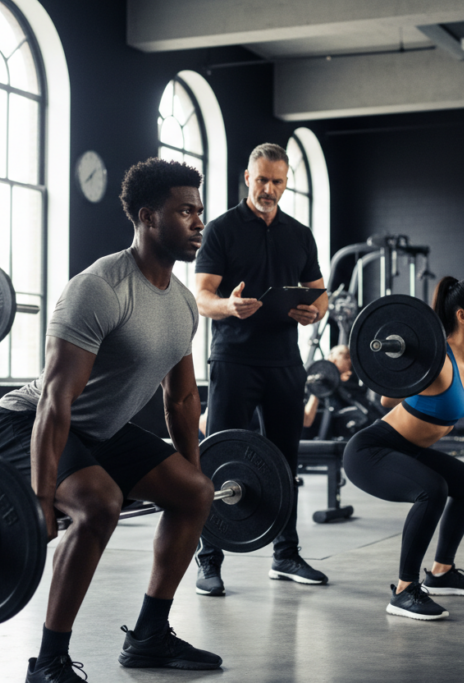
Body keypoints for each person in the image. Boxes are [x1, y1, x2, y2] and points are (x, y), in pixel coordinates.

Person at [0, 159, 221, 682]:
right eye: (185, 212)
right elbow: (54, 401)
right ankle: (47, 663)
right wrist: (41, 502)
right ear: (147, 217)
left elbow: (181, 401)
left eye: (200, 212)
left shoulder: (183, 304)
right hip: (26, 422)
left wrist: (192, 475)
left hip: (99, 430)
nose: (199, 222)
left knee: (196, 494)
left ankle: (150, 637)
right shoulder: (100, 288)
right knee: (98, 505)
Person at [193, 142, 329, 596]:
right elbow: (201, 296)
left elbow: (319, 292)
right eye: (262, 180)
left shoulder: (299, 234)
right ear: (247, 178)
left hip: (284, 362)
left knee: (284, 461)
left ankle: (285, 555)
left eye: (278, 181)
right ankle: (208, 559)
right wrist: (228, 306)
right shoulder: (221, 230)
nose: (269, 189)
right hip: (233, 358)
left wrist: (316, 312)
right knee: (218, 457)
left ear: (286, 182)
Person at [343, 277, 464, 621]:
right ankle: (403, 590)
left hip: (407, 449)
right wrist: (414, 360)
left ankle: (441, 572)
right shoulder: (438, 361)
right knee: (433, 489)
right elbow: (385, 396)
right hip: (371, 452)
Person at [303, 344, 383, 439]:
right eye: (346, 357)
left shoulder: (350, 384)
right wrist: (318, 389)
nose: (350, 361)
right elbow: (306, 421)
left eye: (350, 357)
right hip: (316, 435)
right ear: (332, 358)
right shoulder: (314, 382)